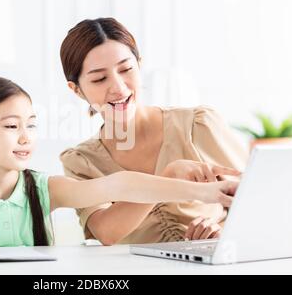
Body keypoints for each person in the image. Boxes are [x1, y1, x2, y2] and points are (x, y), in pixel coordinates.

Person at [0, 75, 238, 254]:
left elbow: (119, 185)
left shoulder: (43, 189)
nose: (25, 137)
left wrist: (204, 191)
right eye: (10, 127)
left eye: (31, 125)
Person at [59, 18, 248, 245]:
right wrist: (167, 178)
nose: (119, 88)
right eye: (100, 79)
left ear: (139, 65)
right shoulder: (82, 161)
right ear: (77, 90)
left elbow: (260, 199)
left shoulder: (197, 126)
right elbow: (106, 232)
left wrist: (221, 234)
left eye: (126, 69)